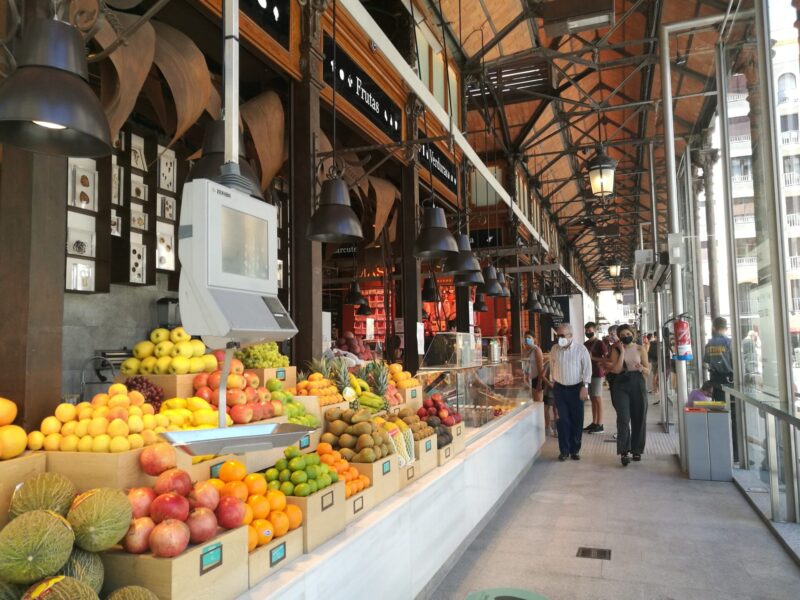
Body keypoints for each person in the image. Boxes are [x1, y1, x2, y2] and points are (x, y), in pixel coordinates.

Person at [549, 323, 592, 461]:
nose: (559, 338)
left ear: (570, 336)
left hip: (576, 389)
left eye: (562, 336)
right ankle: (564, 450)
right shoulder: (555, 349)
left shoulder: (581, 350)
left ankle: (575, 450)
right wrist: (553, 381)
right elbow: (552, 365)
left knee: (577, 420)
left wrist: (585, 386)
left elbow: (587, 369)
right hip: (560, 389)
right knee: (563, 421)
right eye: (558, 336)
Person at [608, 323, 650, 467]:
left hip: (637, 382)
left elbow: (648, 371)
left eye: (627, 334)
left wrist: (642, 368)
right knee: (623, 418)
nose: (626, 337)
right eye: (622, 335)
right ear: (619, 337)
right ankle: (624, 451)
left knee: (639, 417)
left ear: (632, 334)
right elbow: (616, 370)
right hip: (621, 384)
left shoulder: (640, 348)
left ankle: (637, 449)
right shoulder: (616, 350)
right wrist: (621, 351)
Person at [583, 321, 608, 433]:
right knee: (593, 398)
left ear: (595, 330)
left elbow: (606, 359)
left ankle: (600, 424)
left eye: (590, 330)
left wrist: (593, 359)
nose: (588, 332)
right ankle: (594, 422)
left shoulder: (600, 343)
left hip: (597, 373)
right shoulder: (585, 344)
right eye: (586, 330)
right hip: (588, 374)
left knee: (598, 398)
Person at [703, 317, 733, 402]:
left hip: (715, 379)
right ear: (726, 328)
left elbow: (707, 360)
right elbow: (735, 361)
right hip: (729, 379)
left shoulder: (709, 344)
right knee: (731, 404)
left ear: (713, 328)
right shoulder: (729, 342)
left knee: (719, 405)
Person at [522, 330, 544, 403]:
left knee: (537, 403)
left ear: (534, 339)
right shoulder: (524, 351)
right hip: (527, 380)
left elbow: (540, 368)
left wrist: (539, 383)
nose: (526, 339)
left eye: (529, 337)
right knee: (530, 403)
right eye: (525, 337)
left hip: (536, 380)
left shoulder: (537, 350)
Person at [540, 358, 558, 437]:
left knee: (556, 410)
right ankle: (548, 427)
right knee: (546, 408)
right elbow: (543, 376)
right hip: (549, 391)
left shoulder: (562, 362)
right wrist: (550, 385)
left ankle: (556, 429)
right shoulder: (549, 362)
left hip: (558, 390)